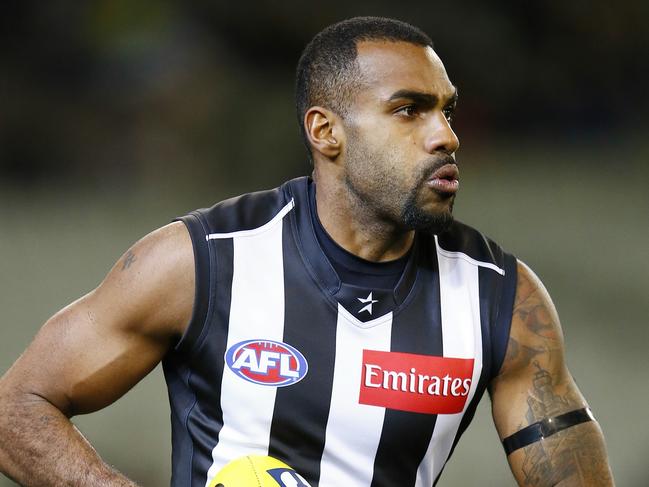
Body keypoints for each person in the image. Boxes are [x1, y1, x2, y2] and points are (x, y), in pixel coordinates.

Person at [0, 16, 614, 487]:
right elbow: (17, 409)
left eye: (447, 111)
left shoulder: (501, 299)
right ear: (326, 132)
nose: (446, 136)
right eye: (409, 110)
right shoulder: (202, 264)